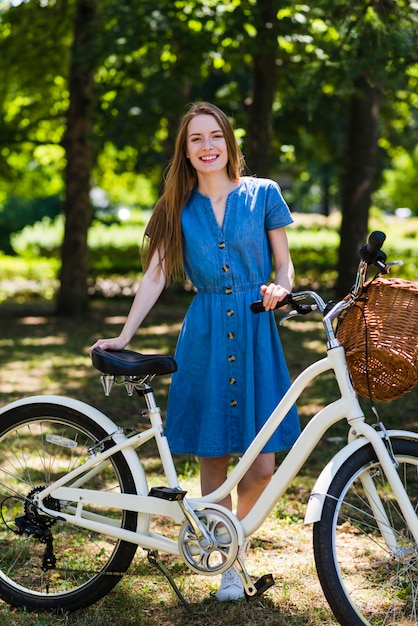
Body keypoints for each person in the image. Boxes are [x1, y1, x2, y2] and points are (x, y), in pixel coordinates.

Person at [89, 101, 300, 601]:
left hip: (255, 333)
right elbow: (156, 274)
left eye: (214, 137)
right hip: (204, 334)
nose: (207, 147)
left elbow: (285, 267)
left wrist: (278, 289)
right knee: (214, 455)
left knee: (263, 466)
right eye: (195, 140)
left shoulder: (264, 194)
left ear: (230, 143)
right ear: (185, 151)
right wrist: (123, 335)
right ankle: (227, 565)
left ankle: (227, 540)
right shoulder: (176, 208)